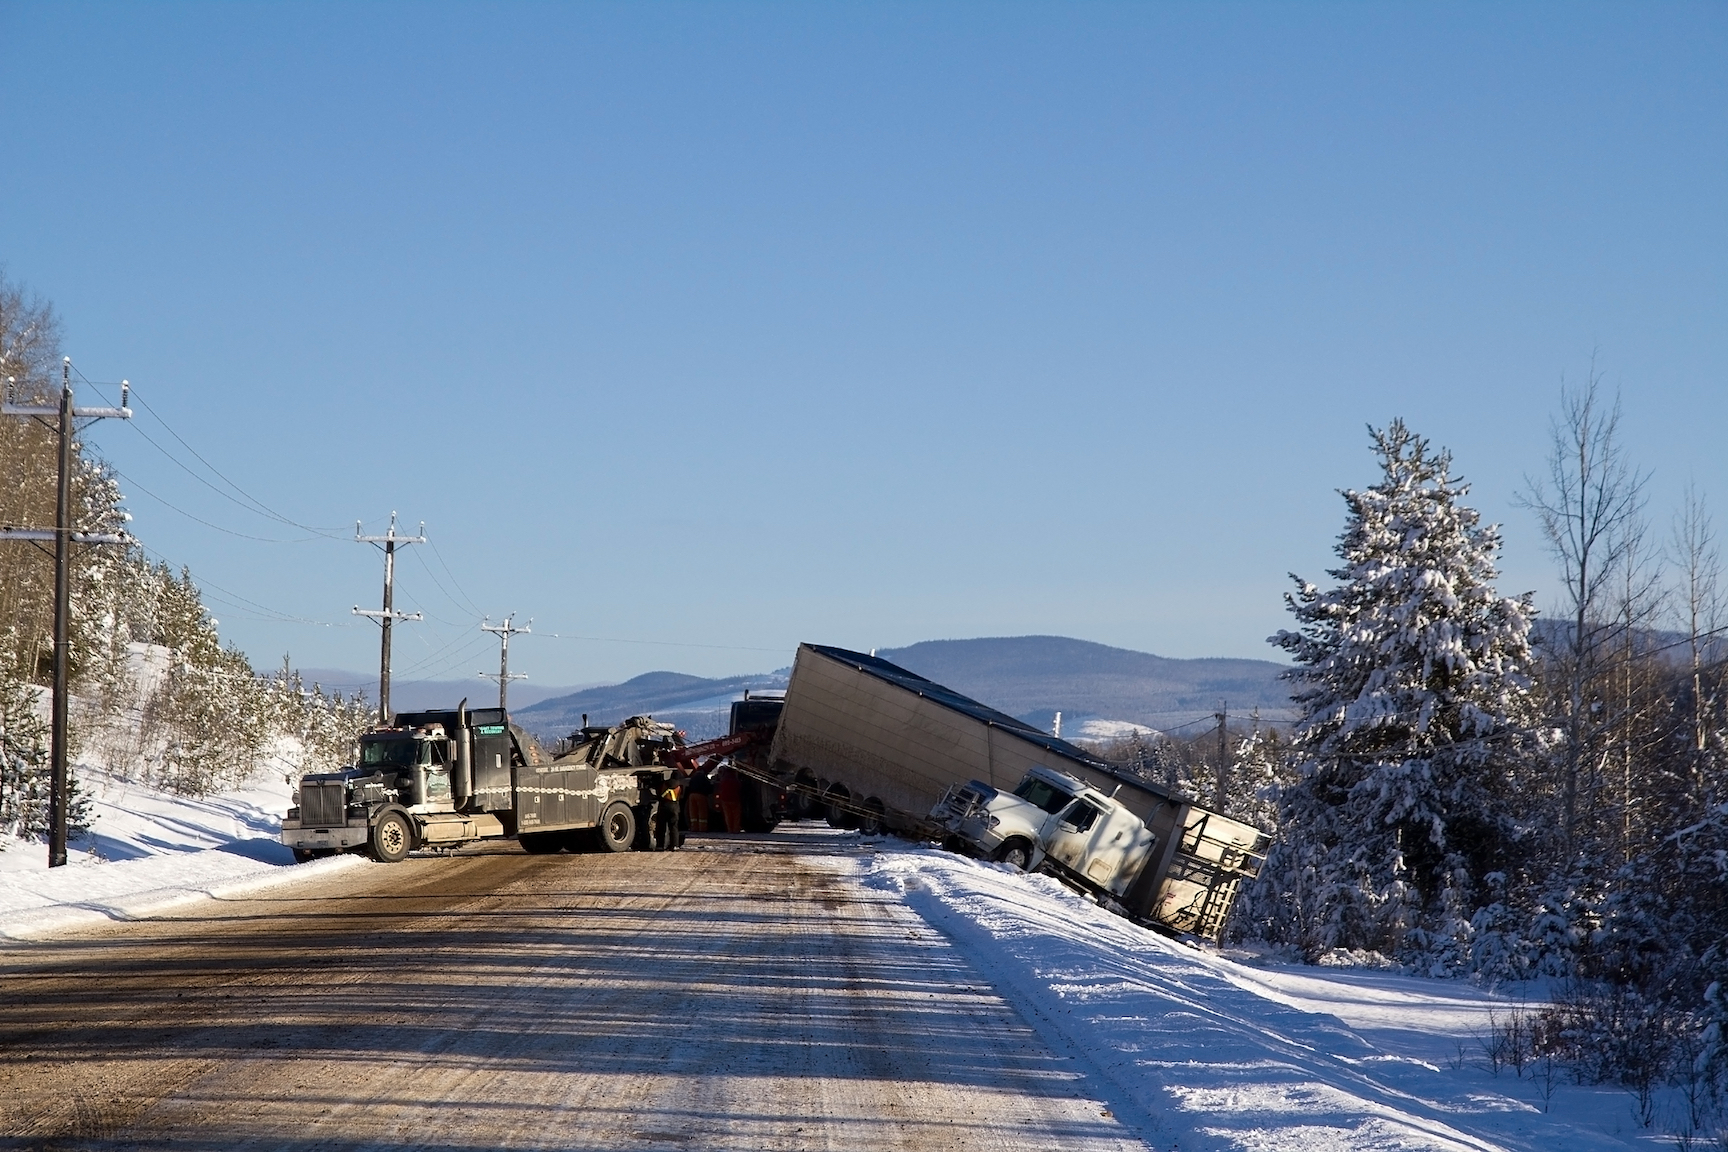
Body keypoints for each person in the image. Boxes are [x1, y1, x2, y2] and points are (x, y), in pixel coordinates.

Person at [654, 774, 682, 851]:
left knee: (661, 827)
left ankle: (660, 846)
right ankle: (674, 845)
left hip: (664, 806)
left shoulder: (665, 784)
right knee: (674, 827)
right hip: (675, 807)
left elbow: (659, 794)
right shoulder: (679, 787)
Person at [686, 760, 715, 833]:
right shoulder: (703, 777)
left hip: (691, 796)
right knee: (702, 812)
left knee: (693, 813)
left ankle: (694, 828)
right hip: (700, 795)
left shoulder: (693, 777)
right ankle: (702, 828)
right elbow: (708, 787)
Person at [715, 764, 743, 834]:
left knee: (728, 815)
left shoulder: (723, 779)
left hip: (725, 799)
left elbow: (720, 787)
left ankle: (730, 829)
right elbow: (739, 787)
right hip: (734, 799)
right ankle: (736, 829)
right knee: (736, 815)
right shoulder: (735, 779)